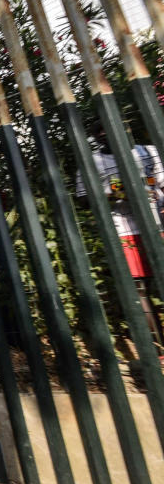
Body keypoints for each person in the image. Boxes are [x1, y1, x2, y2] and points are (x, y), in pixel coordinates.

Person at [75, 122, 164, 351]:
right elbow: (83, 198)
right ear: (95, 136)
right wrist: (110, 194)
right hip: (124, 228)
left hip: (158, 223)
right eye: (98, 131)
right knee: (139, 288)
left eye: (108, 128)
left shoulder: (149, 152)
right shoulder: (92, 162)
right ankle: (158, 346)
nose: (104, 133)